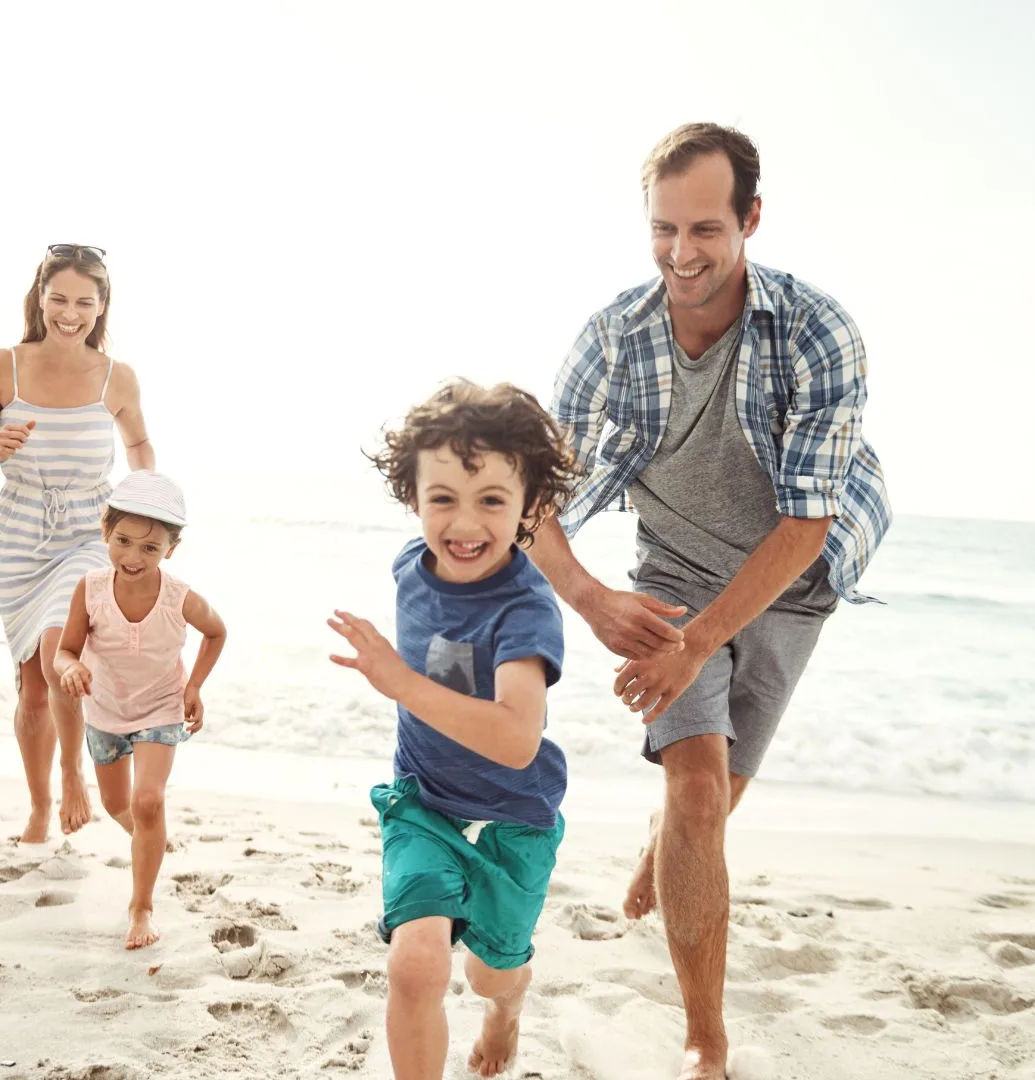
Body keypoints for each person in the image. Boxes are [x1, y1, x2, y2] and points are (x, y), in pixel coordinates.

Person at [524, 123, 892, 1079]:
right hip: (673, 572)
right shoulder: (612, 336)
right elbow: (533, 495)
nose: (681, 254)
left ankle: (667, 845)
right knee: (694, 788)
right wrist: (591, 595)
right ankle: (706, 1039)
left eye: (704, 230)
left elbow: (807, 523)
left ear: (750, 220)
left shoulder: (819, 331)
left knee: (711, 806)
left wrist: (705, 644)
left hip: (792, 578)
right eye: (662, 229)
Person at [327, 379, 578, 1080]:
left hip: (513, 823)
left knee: (489, 978)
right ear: (413, 497)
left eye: (492, 501)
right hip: (425, 805)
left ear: (532, 504)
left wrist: (401, 683)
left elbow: (515, 738)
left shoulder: (527, 611)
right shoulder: (412, 565)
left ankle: (506, 1011)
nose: (464, 525)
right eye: (443, 499)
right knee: (414, 969)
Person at [0, 244, 155, 844]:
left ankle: (74, 774)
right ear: (39, 298)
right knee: (32, 691)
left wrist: (144, 503)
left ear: (101, 307)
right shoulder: (0, 367)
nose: (71, 313)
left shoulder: (117, 376)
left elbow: (139, 447)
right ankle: (39, 807)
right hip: (19, 537)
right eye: (59, 298)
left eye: (85, 302)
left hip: (90, 529)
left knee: (54, 648)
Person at [54, 470, 227, 950]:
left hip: (160, 707)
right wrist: (69, 669)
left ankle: (141, 907)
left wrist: (194, 685)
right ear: (106, 532)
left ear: (170, 549)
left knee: (147, 802)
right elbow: (65, 650)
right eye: (124, 541)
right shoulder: (88, 589)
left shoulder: (179, 597)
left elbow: (217, 632)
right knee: (117, 806)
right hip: (104, 711)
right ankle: (148, 841)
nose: (133, 557)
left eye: (149, 549)